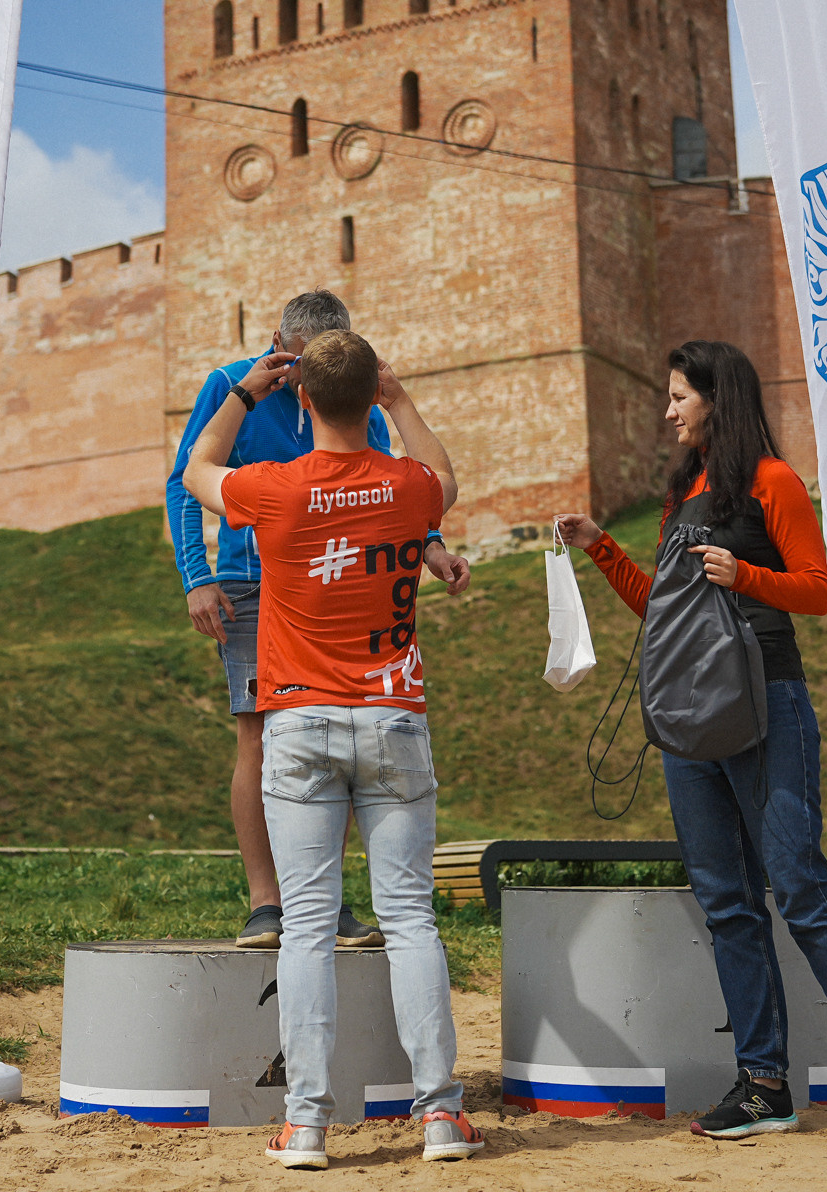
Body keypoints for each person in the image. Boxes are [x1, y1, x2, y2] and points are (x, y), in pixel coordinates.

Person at [559, 340, 827, 1153]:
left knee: (798, 886)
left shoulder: (772, 480)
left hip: (767, 703)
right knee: (726, 902)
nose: (668, 411)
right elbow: (660, 610)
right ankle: (764, 1082)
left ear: (716, 401)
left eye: (678, 397)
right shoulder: (683, 493)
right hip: (690, 718)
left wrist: (745, 576)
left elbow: (818, 587)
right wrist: (599, 545)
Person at [181, 330, 482, 1167]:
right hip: (392, 718)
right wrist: (403, 399)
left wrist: (242, 394)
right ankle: (442, 1117)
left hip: (300, 722)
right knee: (411, 920)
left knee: (307, 927)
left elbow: (195, 470)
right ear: (369, 395)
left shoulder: (274, 489)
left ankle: (306, 1124)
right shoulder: (409, 486)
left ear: (302, 401)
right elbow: (447, 478)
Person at [169, 291, 469, 950]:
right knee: (258, 736)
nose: (309, 378)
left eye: (324, 364)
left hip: (332, 580)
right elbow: (184, 479)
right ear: (278, 341)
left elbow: (394, 490)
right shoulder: (229, 384)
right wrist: (199, 577)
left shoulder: (345, 390)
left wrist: (433, 546)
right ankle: (266, 902)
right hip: (250, 582)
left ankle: (324, 901)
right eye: (300, 363)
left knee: (327, 732)